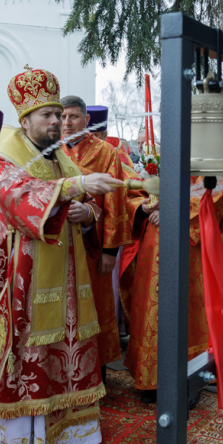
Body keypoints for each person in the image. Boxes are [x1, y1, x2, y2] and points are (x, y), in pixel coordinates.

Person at [0, 65, 119, 444]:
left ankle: (71, 434)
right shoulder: (6, 159)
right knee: (32, 354)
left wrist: (85, 211)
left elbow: (85, 209)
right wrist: (76, 190)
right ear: (25, 120)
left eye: (59, 115)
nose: (56, 122)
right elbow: (20, 202)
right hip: (28, 281)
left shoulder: (61, 159)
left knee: (70, 349)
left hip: (71, 282)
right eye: (47, 116)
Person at [124, 178, 223, 404]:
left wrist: (171, 213)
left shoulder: (208, 171)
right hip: (153, 251)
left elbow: (212, 200)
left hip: (188, 255)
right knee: (154, 312)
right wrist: (143, 206)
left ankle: (188, 381)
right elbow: (135, 193)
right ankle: (151, 379)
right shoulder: (160, 161)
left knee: (184, 314)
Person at [61, 98, 132, 376]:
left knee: (95, 308)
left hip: (93, 248)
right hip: (61, 247)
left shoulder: (106, 153)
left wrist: (110, 252)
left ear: (86, 120)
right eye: (63, 116)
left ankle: (97, 372)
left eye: (74, 117)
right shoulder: (53, 153)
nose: (67, 123)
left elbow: (116, 203)